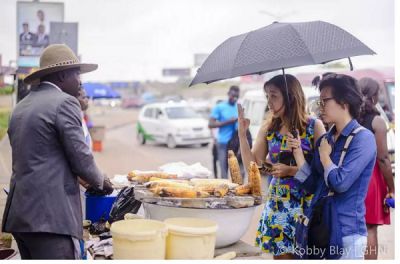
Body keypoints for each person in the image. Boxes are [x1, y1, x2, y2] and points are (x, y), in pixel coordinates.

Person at [2, 44, 113, 259]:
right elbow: (81, 159)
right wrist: (101, 181)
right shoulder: (65, 103)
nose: (80, 81)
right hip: (50, 220)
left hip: (20, 216)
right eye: (76, 74)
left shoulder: (21, 108)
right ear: (62, 75)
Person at [237, 74, 325, 259]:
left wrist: (291, 170)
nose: (269, 102)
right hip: (279, 205)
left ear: (290, 97)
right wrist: (242, 136)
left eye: (274, 96)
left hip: (305, 205)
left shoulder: (314, 126)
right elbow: (253, 167)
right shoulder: (268, 128)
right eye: (267, 96)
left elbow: (322, 172)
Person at [290, 73, 377, 260]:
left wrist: (324, 157)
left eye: (324, 101)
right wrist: (298, 155)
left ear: (344, 102)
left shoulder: (363, 138)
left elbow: (340, 183)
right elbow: (313, 185)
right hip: (320, 229)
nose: (320, 107)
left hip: (347, 233)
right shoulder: (325, 139)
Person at [358, 77, 395, 259]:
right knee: (370, 227)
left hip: (351, 176)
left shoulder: (350, 118)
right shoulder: (377, 121)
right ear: (374, 96)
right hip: (371, 179)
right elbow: (383, 159)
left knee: (354, 228)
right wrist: (392, 188)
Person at [209, 86, 240, 179]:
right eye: (232, 95)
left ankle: (236, 191)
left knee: (236, 170)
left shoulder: (239, 107)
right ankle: (224, 190)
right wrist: (229, 121)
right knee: (224, 170)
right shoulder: (219, 107)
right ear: (228, 94)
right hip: (223, 143)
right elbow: (211, 124)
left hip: (236, 143)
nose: (234, 98)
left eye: (236, 96)